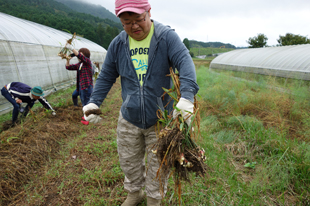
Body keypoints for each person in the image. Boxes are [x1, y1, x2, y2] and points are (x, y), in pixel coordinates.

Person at [82, 0, 199, 205]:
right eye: (127, 22)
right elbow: (107, 75)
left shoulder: (165, 37)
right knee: (128, 161)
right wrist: (93, 102)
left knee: (159, 163)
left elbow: (185, 62)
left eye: (139, 19)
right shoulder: (118, 44)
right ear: (120, 20)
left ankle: (154, 198)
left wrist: (187, 97)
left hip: (160, 119)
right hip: (129, 116)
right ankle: (134, 193)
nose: (134, 26)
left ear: (149, 12)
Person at [65, 46, 93, 125]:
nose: (78, 55)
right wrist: (68, 60)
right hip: (81, 87)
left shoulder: (87, 62)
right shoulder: (80, 64)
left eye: (81, 53)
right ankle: (86, 116)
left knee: (86, 104)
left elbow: (80, 56)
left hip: (86, 86)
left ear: (85, 55)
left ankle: (87, 120)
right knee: (84, 102)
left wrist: (72, 48)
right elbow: (68, 67)